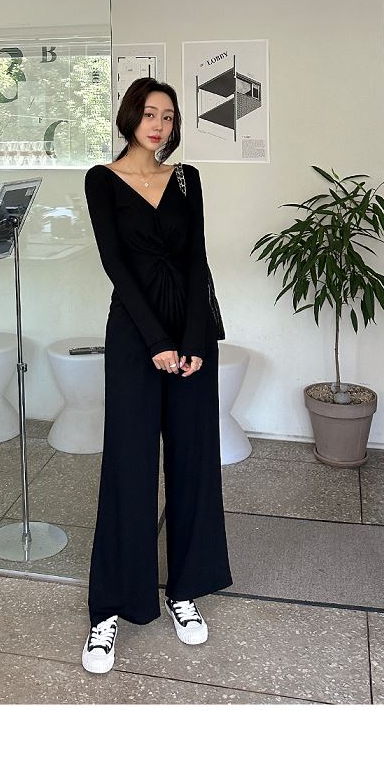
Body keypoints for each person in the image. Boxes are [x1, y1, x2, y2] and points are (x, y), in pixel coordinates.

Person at [82, 80, 232, 674]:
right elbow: (114, 263)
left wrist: (191, 341)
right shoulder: (101, 179)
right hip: (136, 333)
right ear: (130, 118)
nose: (159, 125)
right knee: (130, 463)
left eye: (168, 116)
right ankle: (112, 608)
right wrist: (157, 342)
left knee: (193, 461)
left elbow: (197, 258)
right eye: (149, 114)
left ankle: (185, 591)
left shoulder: (187, 179)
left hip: (190, 332)